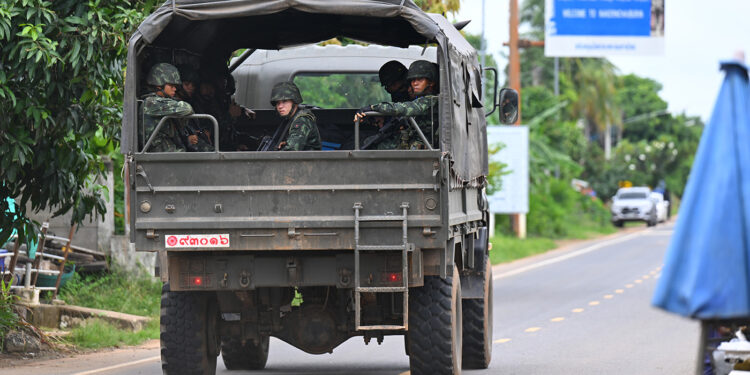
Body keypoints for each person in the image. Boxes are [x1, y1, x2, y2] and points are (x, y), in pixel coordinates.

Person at [355, 60, 439, 150]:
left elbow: (403, 108)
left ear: (431, 82)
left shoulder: (431, 100)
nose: (415, 83)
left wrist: (372, 108)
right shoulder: (421, 100)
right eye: (412, 80)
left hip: (423, 148)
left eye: (420, 80)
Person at [142, 63, 194, 152]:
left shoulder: (160, 101)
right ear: (159, 85)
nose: (175, 89)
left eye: (175, 86)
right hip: (161, 154)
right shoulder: (152, 102)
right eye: (171, 86)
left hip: (168, 151)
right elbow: (187, 109)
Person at [269, 81, 321, 151]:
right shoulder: (291, 118)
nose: (280, 106)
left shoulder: (301, 120)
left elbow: (291, 150)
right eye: (278, 103)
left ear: (294, 102)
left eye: (284, 101)